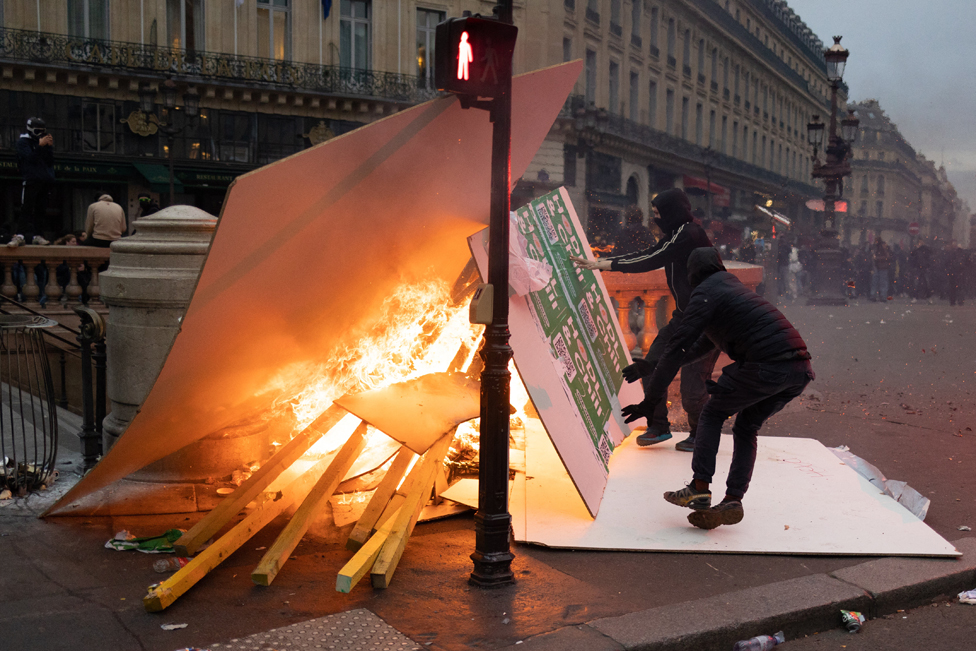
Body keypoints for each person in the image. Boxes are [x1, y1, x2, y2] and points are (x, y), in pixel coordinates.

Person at [633, 247, 814, 529]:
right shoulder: (730, 290)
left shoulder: (705, 293)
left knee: (712, 414)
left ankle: (699, 486)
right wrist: (651, 365)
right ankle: (733, 499)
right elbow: (696, 348)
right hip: (799, 369)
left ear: (692, 273)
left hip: (766, 364)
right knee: (745, 427)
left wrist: (651, 397)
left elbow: (677, 344)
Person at [571, 188, 720, 452]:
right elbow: (653, 252)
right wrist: (604, 261)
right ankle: (658, 426)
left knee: (693, 386)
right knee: (652, 363)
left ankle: (701, 435)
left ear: (672, 211)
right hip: (684, 317)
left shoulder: (690, 234)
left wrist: (604, 264)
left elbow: (651, 258)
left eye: (658, 213)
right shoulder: (674, 234)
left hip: (708, 322)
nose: (655, 218)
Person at [13, 117, 55, 245]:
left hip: (44, 178)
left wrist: (48, 147)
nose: (40, 135)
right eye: (38, 131)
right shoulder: (23, 142)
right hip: (31, 178)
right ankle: (20, 234)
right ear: (31, 130)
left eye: (43, 132)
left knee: (41, 209)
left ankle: (38, 235)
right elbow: (30, 159)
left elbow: (49, 161)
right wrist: (40, 146)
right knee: (27, 207)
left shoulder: (42, 144)